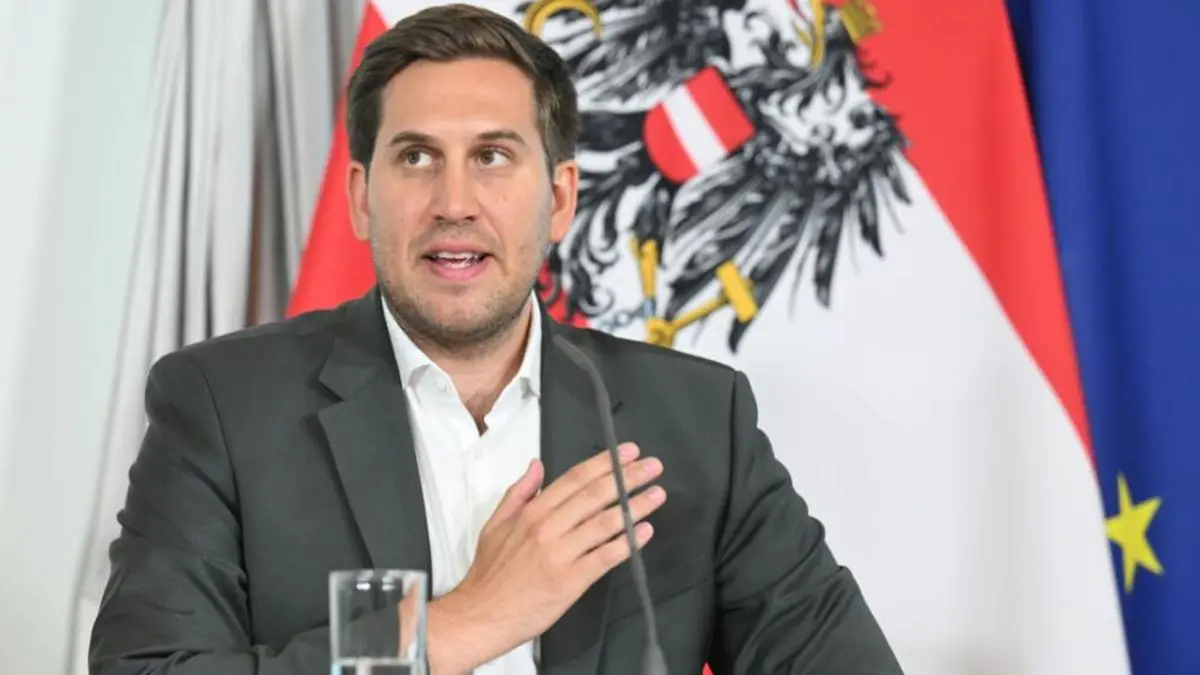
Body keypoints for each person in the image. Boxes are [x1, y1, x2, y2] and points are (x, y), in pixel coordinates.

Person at [88, 4, 903, 674]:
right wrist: (468, 621)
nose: (454, 201)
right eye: (416, 157)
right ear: (362, 198)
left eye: (492, 155)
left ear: (560, 198)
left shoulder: (696, 419)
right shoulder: (224, 407)